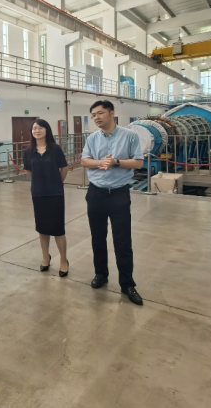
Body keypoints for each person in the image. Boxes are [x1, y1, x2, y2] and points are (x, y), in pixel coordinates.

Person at [81, 100, 144, 306]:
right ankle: (101, 274)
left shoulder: (130, 136)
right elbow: (84, 161)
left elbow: (138, 162)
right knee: (98, 238)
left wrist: (116, 162)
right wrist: (101, 162)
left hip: (119, 194)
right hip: (96, 193)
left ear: (111, 113)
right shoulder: (92, 138)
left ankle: (127, 283)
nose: (96, 118)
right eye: (93, 115)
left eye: (100, 113)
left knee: (122, 240)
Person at [22, 119, 69, 276]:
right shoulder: (28, 151)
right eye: (34, 128)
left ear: (47, 130)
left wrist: (56, 182)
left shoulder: (55, 149)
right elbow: (28, 170)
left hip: (55, 194)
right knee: (42, 229)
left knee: (58, 229)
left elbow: (64, 168)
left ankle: (63, 260)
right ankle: (45, 258)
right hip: (38, 194)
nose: (37, 130)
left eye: (40, 128)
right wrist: (40, 181)